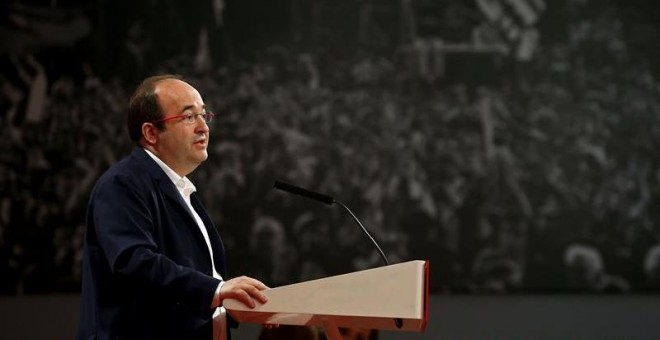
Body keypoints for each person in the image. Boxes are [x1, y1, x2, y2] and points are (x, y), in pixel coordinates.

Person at [76, 74, 269, 340]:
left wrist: (239, 305)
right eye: (189, 117)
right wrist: (216, 291)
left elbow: (195, 284)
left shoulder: (181, 190)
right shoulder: (123, 184)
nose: (203, 127)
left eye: (204, 115)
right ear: (151, 132)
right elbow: (135, 262)